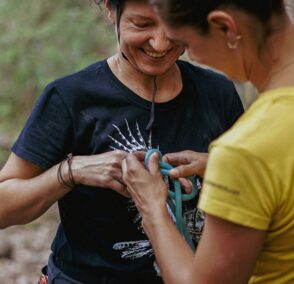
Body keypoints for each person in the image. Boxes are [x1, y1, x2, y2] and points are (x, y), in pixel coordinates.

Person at [121, 0, 294, 283]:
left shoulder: (245, 151)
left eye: (188, 43)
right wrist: (232, 174)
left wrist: (153, 208)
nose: (192, 58)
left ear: (225, 28)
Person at [0, 0, 244, 282]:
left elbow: (257, 193)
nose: (160, 43)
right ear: (110, 9)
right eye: (142, 24)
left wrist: (219, 166)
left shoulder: (217, 94)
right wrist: (72, 171)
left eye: (175, 25)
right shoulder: (71, 99)